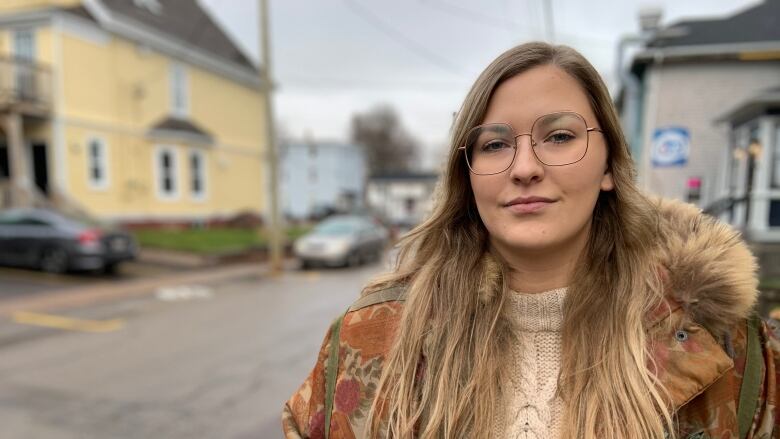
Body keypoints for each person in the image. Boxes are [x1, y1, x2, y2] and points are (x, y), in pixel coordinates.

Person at [282, 42, 780, 439]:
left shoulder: (728, 345)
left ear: (609, 164)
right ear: (468, 173)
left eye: (560, 137)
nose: (524, 168)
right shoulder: (367, 338)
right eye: (494, 144)